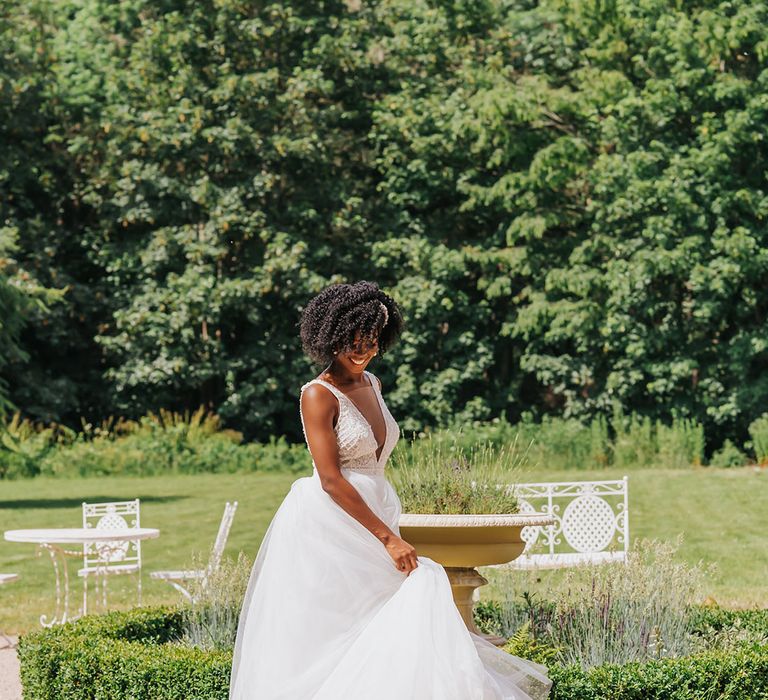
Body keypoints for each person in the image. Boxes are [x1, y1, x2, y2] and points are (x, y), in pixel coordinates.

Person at [229, 281, 551, 699]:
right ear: (331, 337)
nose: (363, 350)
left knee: (382, 621)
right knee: (355, 621)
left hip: (378, 505)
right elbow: (330, 479)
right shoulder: (317, 395)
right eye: (353, 342)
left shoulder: (373, 383)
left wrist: (388, 526)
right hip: (334, 522)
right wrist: (388, 538)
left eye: (373, 341)